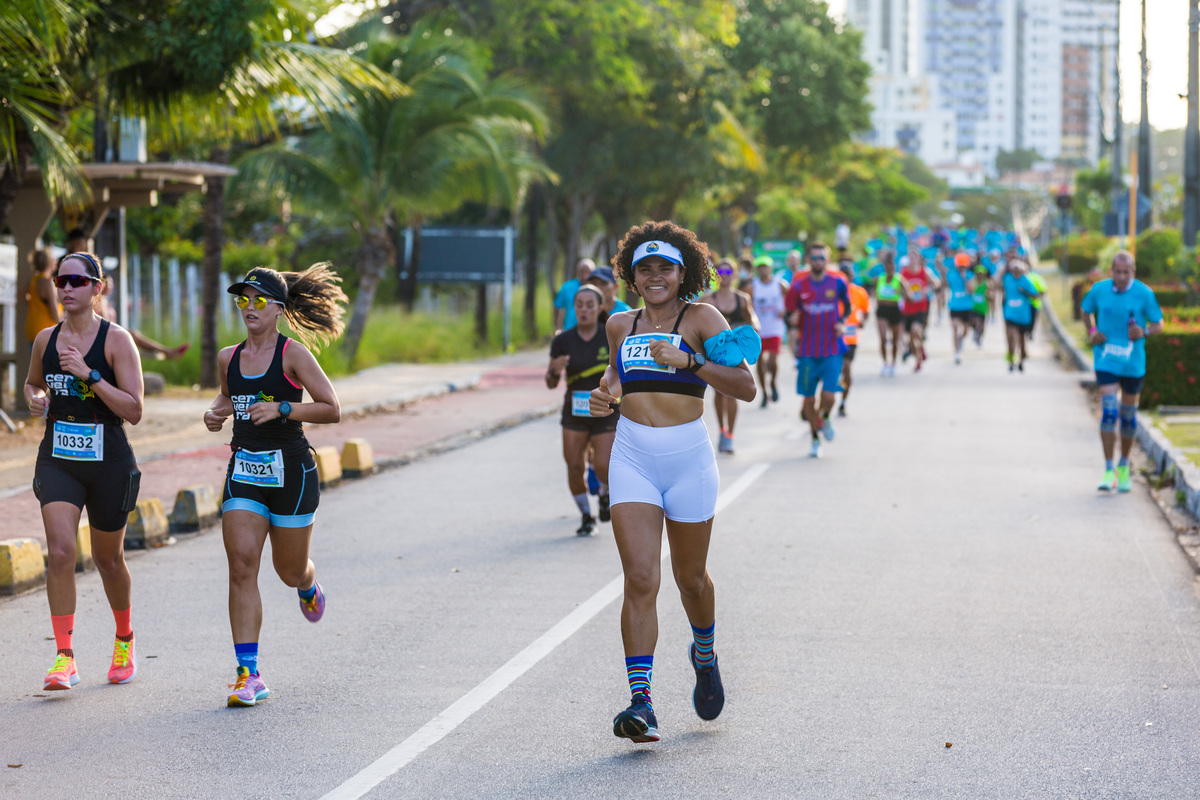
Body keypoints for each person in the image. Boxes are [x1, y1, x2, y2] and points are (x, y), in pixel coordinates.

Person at [589, 222, 757, 744]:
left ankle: (704, 654)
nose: (655, 276)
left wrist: (691, 360)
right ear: (632, 277)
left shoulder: (703, 317)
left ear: (683, 272)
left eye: (665, 268)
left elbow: (746, 386)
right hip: (633, 456)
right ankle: (643, 703)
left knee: (691, 580)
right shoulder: (621, 324)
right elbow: (616, 376)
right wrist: (605, 394)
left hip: (688, 460)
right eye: (646, 269)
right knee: (640, 579)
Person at [203, 265, 346, 707]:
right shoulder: (229, 357)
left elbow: (331, 408)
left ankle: (307, 584)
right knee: (242, 565)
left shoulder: (293, 355)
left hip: (292, 474)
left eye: (258, 300)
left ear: (279, 309)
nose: (249, 307)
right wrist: (216, 412)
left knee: (288, 571)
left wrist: (283, 408)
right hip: (244, 471)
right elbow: (230, 397)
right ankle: (249, 674)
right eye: (242, 299)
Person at [24, 252, 144, 690]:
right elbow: (33, 382)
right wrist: (35, 397)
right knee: (59, 551)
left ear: (98, 288)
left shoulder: (117, 341)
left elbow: (134, 410)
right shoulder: (44, 339)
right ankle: (64, 656)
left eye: (77, 281)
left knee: (108, 559)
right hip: (59, 457)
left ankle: (125, 638)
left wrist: (90, 374)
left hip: (109, 459)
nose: (66, 288)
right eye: (61, 280)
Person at [1080, 252, 1164, 493]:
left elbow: (1159, 323)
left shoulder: (1144, 294)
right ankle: (1108, 469)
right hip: (1106, 360)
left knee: (1128, 416)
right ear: (1111, 271)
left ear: (1133, 271)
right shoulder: (1099, 290)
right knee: (1108, 412)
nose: (1121, 277)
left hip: (1132, 364)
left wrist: (1144, 332)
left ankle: (1124, 465)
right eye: (1117, 272)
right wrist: (1092, 331)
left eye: (1126, 272)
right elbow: (1086, 311)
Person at [546, 286, 617, 535]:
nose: (584, 310)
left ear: (599, 308)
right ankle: (586, 515)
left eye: (589, 305)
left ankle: (605, 494)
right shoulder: (563, 340)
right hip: (575, 411)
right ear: (573, 308)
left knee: (603, 464)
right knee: (574, 466)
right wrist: (555, 370)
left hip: (605, 409)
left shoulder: (609, 337)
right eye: (579, 304)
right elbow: (551, 383)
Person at [786, 242, 849, 457]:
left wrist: (842, 323)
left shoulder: (838, 282)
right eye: (814, 257)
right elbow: (789, 313)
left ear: (827, 260)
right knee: (808, 400)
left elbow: (847, 307)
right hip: (807, 352)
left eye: (822, 257)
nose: (818, 261)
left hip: (832, 349)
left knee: (830, 397)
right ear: (808, 260)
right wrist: (792, 320)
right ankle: (814, 439)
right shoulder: (798, 286)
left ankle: (825, 417)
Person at [700, 260, 760, 453]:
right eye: (720, 271)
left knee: (732, 392)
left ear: (734, 275)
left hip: (735, 354)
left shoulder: (742, 298)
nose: (724, 274)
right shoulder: (707, 299)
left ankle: (730, 436)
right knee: (718, 392)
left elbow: (752, 319)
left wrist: (754, 330)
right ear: (715, 275)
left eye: (728, 271)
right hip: (715, 353)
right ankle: (722, 430)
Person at [96, 276, 189, 359]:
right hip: (106, 336)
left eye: (112, 283)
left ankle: (165, 351)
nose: (111, 286)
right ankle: (166, 351)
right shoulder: (98, 302)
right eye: (108, 283)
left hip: (111, 333)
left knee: (133, 335)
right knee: (132, 335)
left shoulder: (106, 301)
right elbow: (104, 323)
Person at [751, 255, 789, 408]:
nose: (763, 270)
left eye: (765, 267)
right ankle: (764, 392)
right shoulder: (753, 286)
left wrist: (785, 310)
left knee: (772, 360)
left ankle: (772, 382)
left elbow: (792, 299)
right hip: (759, 329)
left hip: (775, 328)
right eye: (760, 267)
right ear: (757, 270)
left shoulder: (780, 285)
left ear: (770, 268)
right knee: (760, 362)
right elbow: (745, 304)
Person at [837, 261, 870, 417]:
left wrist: (863, 320)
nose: (845, 278)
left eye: (848, 275)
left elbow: (866, 311)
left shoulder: (859, 292)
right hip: (834, 336)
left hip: (850, 337)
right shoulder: (832, 291)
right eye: (842, 275)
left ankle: (843, 402)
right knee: (835, 369)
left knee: (847, 368)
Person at [1002, 260, 1040, 372]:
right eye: (1014, 270)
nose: (1016, 272)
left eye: (1018, 270)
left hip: (1023, 315)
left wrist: (1025, 292)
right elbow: (1004, 293)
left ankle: (1021, 360)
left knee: (1021, 339)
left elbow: (1035, 295)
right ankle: (1011, 361)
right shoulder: (1007, 279)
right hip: (1009, 313)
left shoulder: (1026, 281)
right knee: (1010, 337)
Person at [899, 254, 934, 373]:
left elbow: (936, 283)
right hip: (907, 309)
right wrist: (905, 294)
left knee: (915, 332)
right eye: (911, 258)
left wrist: (927, 290)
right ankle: (920, 352)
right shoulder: (903, 273)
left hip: (920, 308)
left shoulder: (925, 272)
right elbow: (898, 288)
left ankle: (918, 360)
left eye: (915, 258)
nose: (913, 260)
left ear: (919, 259)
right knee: (911, 338)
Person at [873, 250, 903, 376]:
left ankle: (893, 363)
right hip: (882, 311)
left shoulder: (899, 279)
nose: (890, 270)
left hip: (895, 311)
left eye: (892, 268)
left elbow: (909, 295)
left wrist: (901, 294)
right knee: (883, 338)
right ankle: (885, 363)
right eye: (888, 267)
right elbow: (876, 297)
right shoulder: (880, 279)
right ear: (885, 267)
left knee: (895, 340)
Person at [24, 248, 61, 347]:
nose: (56, 261)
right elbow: (54, 310)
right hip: (47, 332)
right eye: (54, 259)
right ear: (49, 261)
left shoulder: (33, 280)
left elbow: (21, 294)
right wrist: (64, 327)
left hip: (33, 329)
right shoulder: (47, 282)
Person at [944, 252, 977, 364]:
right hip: (954, 306)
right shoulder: (951, 274)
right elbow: (947, 286)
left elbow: (972, 290)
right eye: (960, 265)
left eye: (963, 265)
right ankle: (957, 352)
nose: (961, 267)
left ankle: (960, 341)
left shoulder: (970, 275)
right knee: (955, 328)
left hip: (967, 306)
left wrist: (965, 278)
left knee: (965, 331)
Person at [554, 259, 595, 331]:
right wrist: (558, 328)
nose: (585, 276)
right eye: (582, 272)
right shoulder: (567, 287)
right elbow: (557, 306)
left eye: (588, 272)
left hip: (591, 331)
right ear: (577, 273)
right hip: (569, 330)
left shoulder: (597, 288)